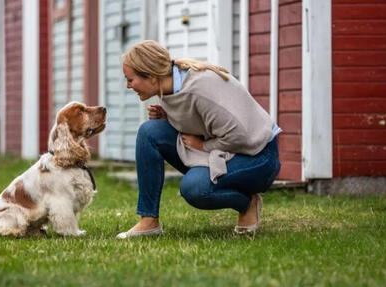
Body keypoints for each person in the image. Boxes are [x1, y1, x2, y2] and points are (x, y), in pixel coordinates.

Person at [116, 40, 281, 239]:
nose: (128, 86)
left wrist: (203, 145)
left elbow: (242, 135)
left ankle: (247, 202)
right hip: (225, 149)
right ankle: (148, 221)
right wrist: (168, 119)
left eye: (130, 79)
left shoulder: (200, 88)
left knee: (195, 189)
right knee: (149, 131)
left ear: (151, 77)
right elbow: (199, 121)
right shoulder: (167, 86)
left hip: (258, 156)